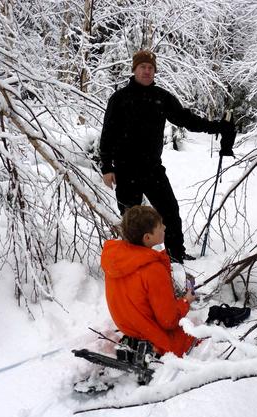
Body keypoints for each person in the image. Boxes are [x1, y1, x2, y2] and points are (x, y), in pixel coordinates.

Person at [99, 49, 235, 263]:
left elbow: (186, 120)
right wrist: (107, 166)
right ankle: (133, 261)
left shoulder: (161, 98)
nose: (147, 71)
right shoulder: (119, 99)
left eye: (151, 68)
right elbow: (108, 133)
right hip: (125, 169)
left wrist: (217, 126)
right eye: (143, 67)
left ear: (155, 72)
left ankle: (175, 255)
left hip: (152, 168)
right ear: (134, 69)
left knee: (170, 211)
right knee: (132, 220)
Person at [100, 205, 196, 357]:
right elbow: (168, 321)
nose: (164, 227)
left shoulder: (117, 260)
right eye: (159, 226)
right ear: (147, 237)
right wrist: (185, 301)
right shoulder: (152, 269)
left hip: (131, 329)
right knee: (198, 338)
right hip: (154, 337)